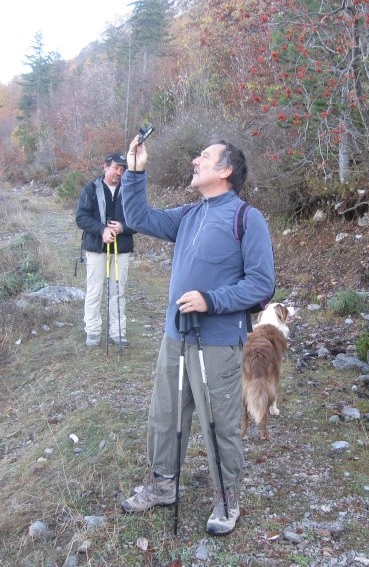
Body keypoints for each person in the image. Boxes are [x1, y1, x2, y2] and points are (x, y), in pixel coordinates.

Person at [119, 136, 275, 536]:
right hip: (176, 337)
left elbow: (262, 284)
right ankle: (161, 485)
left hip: (219, 342)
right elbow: (138, 217)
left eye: (203, 156)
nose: (195, 160)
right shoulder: (190, 214)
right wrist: (136, 170)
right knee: (165, 414)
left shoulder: (246, 218)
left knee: (219, 423)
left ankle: (226, 497)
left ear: (225, 170)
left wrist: (212, 300)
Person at [75, 152, 137, 348]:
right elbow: (81, 218)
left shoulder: (130, 191)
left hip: (122, 248)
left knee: (118, 291)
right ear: (105, 167)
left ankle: (118, 332)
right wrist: (102, 230)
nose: (118, 172)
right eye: (115, 168)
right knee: (95, 290)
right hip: (96, 248)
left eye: (122, 169)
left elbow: (139, 220)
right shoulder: (91, 189)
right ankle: (92, 332)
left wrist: (123, 228)